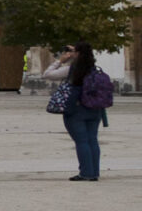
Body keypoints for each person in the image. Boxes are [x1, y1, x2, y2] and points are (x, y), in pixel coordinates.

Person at [45, 43, 111, 181]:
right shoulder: (95, 70)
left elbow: (47, 74)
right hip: (95, 109)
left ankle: (86, 173)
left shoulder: (71, 70)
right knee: (92, 140)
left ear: (78, 54)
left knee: (81, 141)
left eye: (73, 51)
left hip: (76, 110)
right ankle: (94, 172)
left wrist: (60, 61)